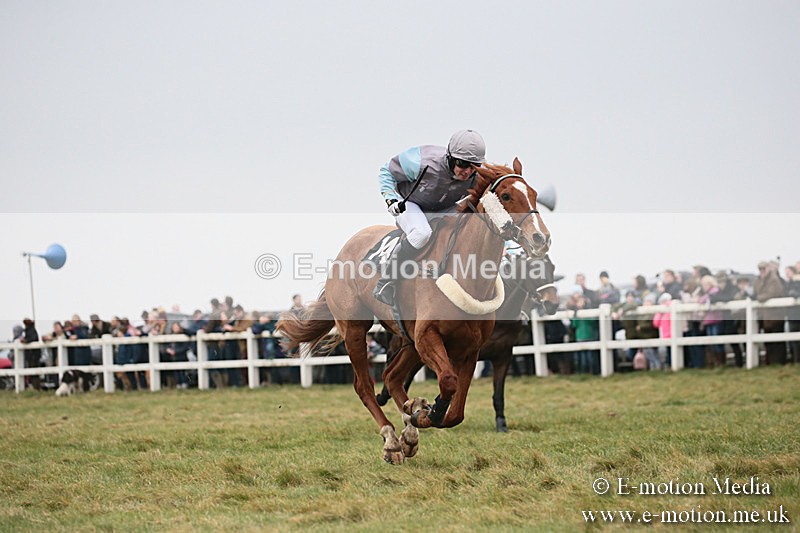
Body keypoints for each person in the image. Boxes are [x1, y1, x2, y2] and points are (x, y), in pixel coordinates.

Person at [373, 129, 486, 306]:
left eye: (474, 166)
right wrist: (391, 199)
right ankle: (386, 281)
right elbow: (386, 172)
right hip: (411, 203)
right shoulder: (420, 162)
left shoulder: (477, 176)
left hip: (443, 207)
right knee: (422, 233)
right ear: (450, 157)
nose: (467, 172)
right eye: (463, 164)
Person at [754, 260, 787, 365]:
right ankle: (770, 361)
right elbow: (755, 292)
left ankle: (778, 361)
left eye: (763, 269)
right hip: (764, 315)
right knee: (768, 340)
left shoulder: (774, 279)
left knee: (777, 339)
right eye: (760, 269)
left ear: (768, 268)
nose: (762, 271)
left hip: (775, 314)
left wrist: (759, 298)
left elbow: (773, 293)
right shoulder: (758, 280)